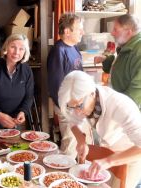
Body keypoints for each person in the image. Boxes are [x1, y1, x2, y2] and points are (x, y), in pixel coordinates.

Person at [58, 70, 141, 188]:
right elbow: (73, 121)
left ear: (92, 93)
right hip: (108, 154)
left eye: (80, 106)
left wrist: (109, 161)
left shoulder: (121, 105)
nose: (76, 111)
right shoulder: (80, 100)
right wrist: (81, 141)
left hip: (131, 156)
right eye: (71, 107)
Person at [47, 12, 93, 158]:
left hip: (80, 106)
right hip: (68, 108)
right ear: (67, 31)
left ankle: (80, 174)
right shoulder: (58, 51)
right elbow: (56, 87)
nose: (82, 32)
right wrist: (70, 107)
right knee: (70, 145)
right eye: (79, 29)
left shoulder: (74, 48)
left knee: (85, 142)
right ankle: (62, 176)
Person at [0, 33, 34, 133]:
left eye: (21, 49)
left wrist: (23, 111)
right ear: (6, 47)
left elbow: (29, 96)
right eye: (13, 47)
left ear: (25, 51)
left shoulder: (26, 70)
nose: (17, 52)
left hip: (16, 121)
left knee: (17, 147)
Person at [94, 14, 141, 110]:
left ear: (128, 32)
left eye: (115, 29)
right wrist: (106, 60)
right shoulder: (127, 45)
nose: (112, 33)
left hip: (129, 113)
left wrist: (119, 111)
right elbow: (122, 63)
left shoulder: (138, 51)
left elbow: (137, 89)